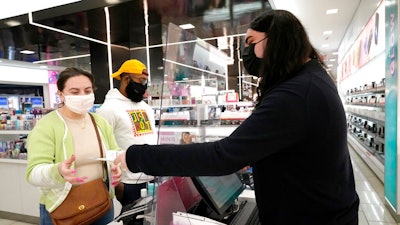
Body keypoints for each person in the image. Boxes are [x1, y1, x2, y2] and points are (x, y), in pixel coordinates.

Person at [114, 9, 360, 225]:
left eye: (251, 42)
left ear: (275, 40)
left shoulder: (295, 93)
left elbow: (221, 157)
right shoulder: (311, 79)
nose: (246, 52)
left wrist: (137, 156)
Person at [25, 67, 122, 225]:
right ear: (61, 95)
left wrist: (116, 166)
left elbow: (113, 152)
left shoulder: (99, 122)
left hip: (101, 202)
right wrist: (58, 171)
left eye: (87, 90)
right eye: (75, 92)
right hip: (62, 207)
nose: (82, 96)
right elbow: (33, 173)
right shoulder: (47, 126)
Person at [96, 59, 157, 223]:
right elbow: (102, 148)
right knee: (132, 221)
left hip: (152, 179)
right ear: (126, 79)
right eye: (140, 81)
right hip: (129, 182)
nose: (143, 86)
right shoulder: (108, 110)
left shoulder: (146, 108)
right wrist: (117, 184)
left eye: (145, 82)